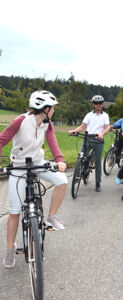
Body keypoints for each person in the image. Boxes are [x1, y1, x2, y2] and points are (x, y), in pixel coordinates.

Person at [0, 90, 68, 268]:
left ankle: (51, 216)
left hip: (38, 163)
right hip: (19, 167)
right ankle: (9, 250)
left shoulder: (48, 124)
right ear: (46, 108)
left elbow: (53, 143)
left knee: (62, 181)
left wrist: (59, 160)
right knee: (14, 212)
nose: (53, 111)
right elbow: (1, 140)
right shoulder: (21, 121)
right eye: (52, 108)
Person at [69, 95, 110, 192]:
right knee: (81, 156)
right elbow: (83, 126)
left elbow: (107, 127)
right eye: (96, 103)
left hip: (98, 140)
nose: (98, 105)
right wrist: (75, 131)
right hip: (88, 138)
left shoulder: (105, 115)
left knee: (97, 162)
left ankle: (98, 183)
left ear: (102, 104)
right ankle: (78, 173)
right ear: (93, 104)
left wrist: (101, 134)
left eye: (100, 103)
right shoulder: (89, 115)